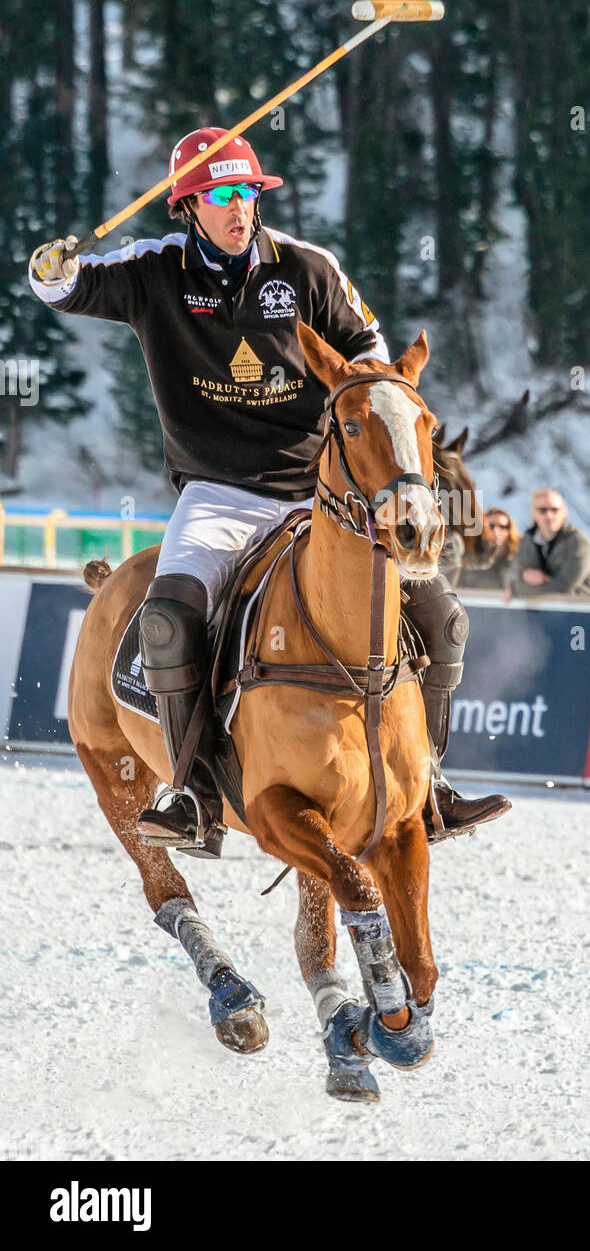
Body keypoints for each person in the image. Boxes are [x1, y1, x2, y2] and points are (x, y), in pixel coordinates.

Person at [29, 127, 509, 849]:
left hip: (323, 496)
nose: (239, 208)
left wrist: (356, 398)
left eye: (249, 192)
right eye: (222, 194)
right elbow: (67, 288)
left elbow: (371, 353)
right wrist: (51, 267)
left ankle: (429, 782)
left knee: (441, 616)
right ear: (187, 206)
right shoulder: (155, 270)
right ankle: (191, 791)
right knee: (167, 617)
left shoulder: (307, 268)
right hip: (218, 494)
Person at [504, 490, 590, 600]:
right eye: (542, 510)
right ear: (534, 513)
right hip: (542, 612)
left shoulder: (578, 542)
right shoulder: (528, 540)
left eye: (555, 510)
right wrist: (524, 574)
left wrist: (516, 589)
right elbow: (509, 576)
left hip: (582, 612)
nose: (549, 515)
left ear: (564, 512)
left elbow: (564, 586)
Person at [460, 507, 520, 590]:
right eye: (491, 526)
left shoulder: (518, 553)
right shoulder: (470, 551)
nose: (496, 530)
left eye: (502, 526)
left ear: (509, 529)